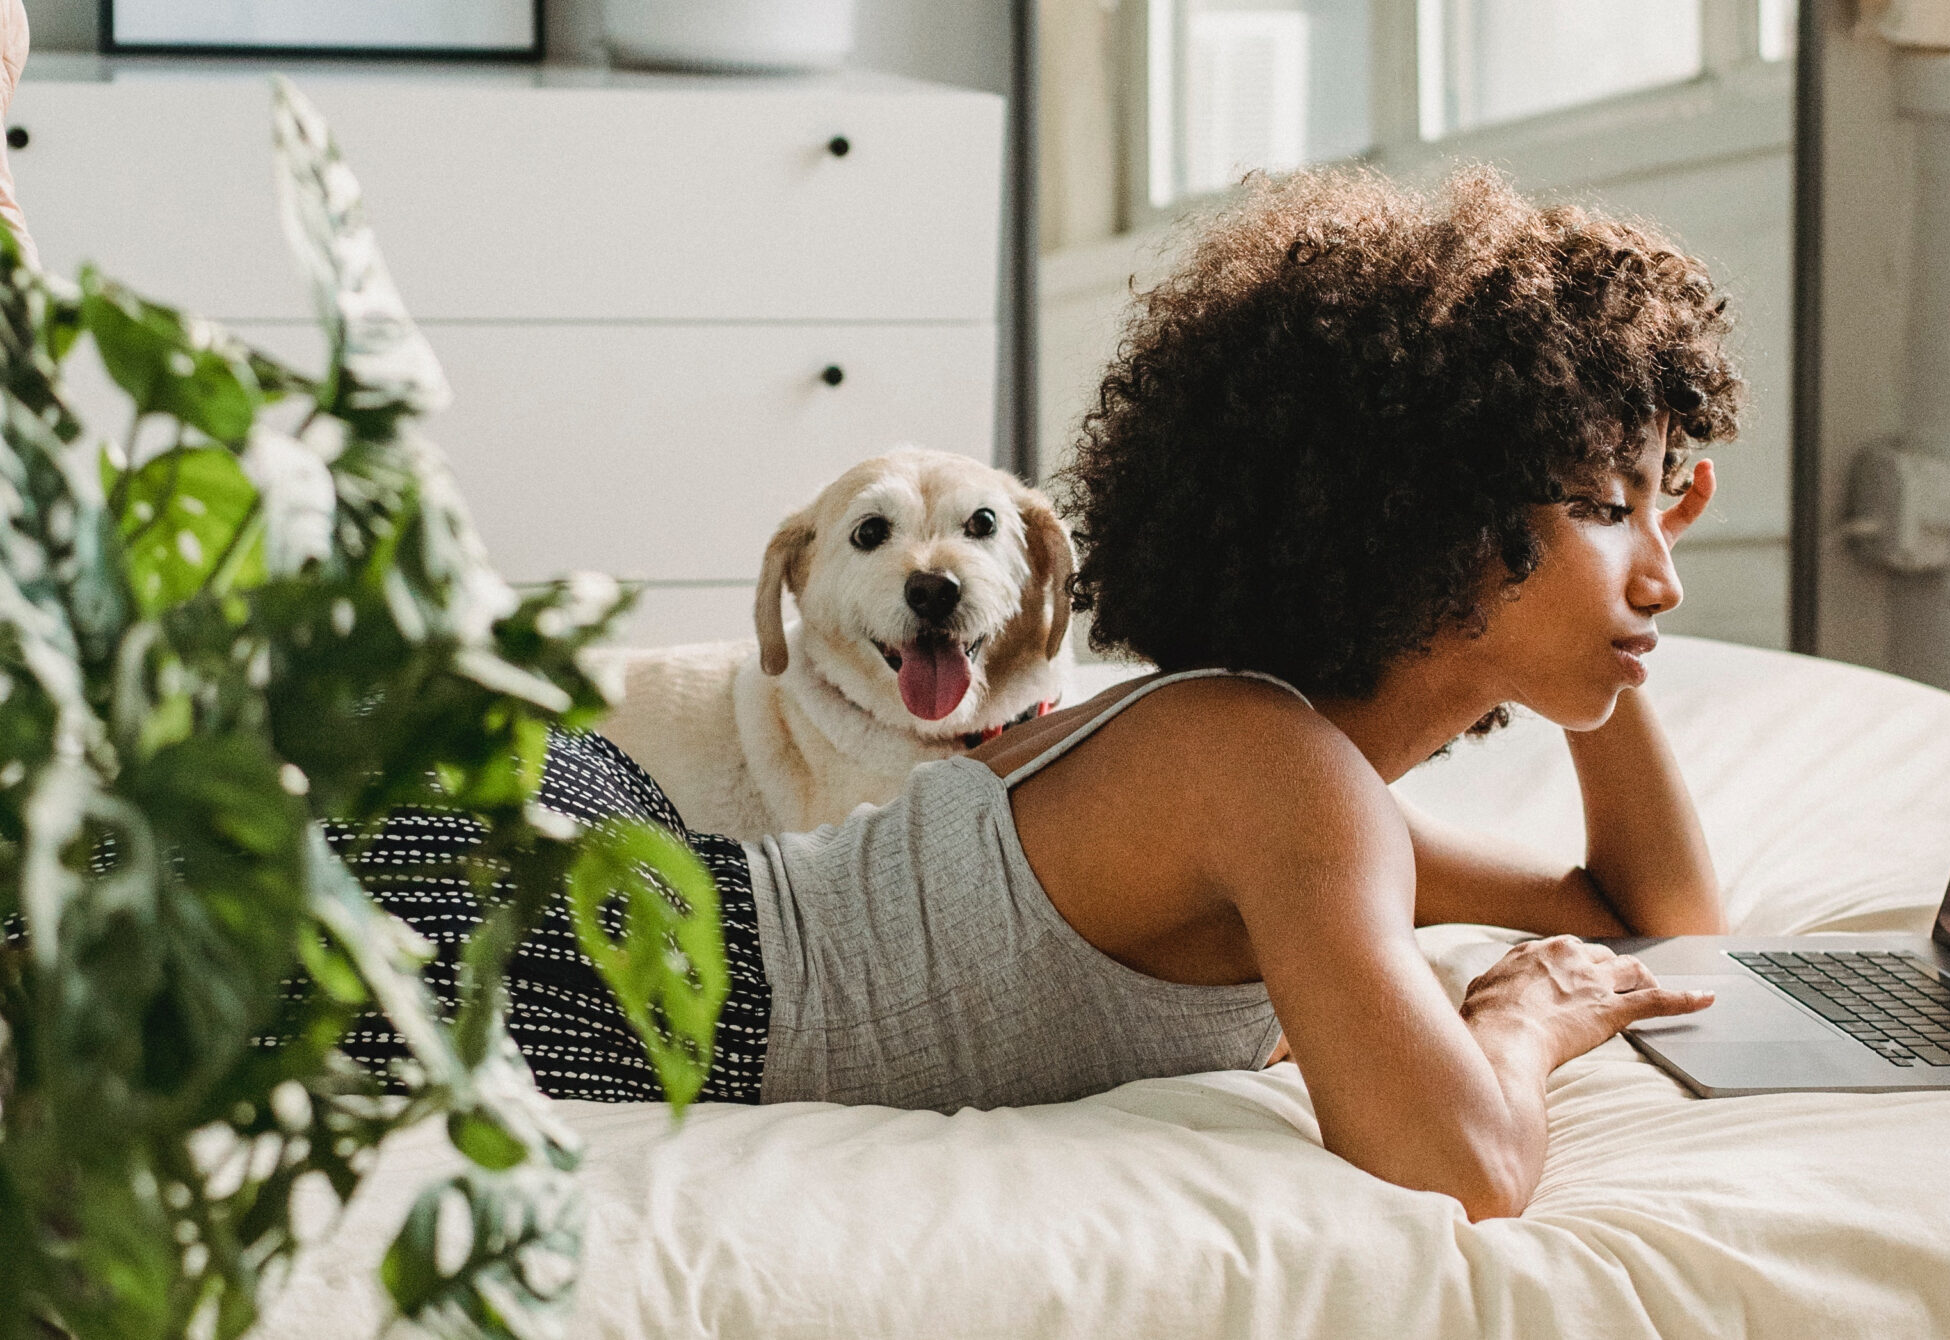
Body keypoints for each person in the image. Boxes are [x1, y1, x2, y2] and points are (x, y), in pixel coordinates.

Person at [338, 164, 1744, 1222]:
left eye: (1655, 512)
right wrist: (1519, 1017)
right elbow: (1467, 1169)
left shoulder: (1284, 777)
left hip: (628, 888)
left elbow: (1656, 924)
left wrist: (1608, 617)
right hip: (583, 945)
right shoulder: (1272, 778)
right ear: (1437, 522)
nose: (1664, 576)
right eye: (1605, 507)